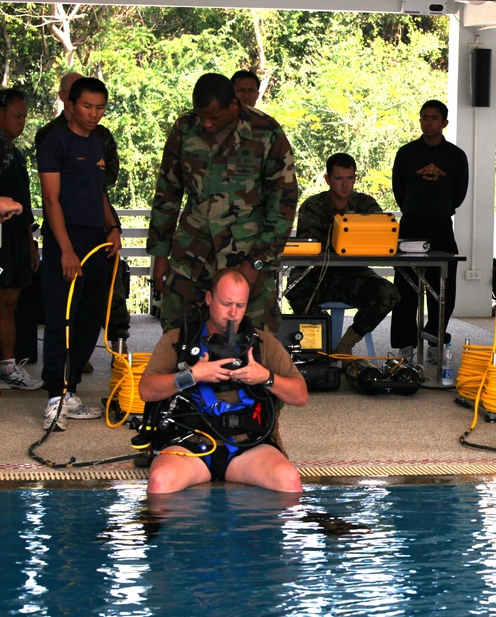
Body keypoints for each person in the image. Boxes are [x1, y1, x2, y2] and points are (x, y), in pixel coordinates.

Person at [147, 72, 298, 333]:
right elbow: (168, 192)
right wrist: (160, 254)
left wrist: (258, 262)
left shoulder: (265, 132)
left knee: (256, 337)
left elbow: (283, 202)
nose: (206, 124)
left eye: (214, 117)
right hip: (192, 253)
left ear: (233, 105)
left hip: (247, 253)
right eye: (201, 116)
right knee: (178, 332)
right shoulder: (184, 128)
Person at [139, 268, 307, 494]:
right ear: (209, 299)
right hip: (190, 445)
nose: (233, 313)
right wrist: (192, 376)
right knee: (160, 482)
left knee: (289, 481)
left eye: (240, 305)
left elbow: (300, 396)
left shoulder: (263, 344)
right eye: (226, 304)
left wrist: (266, 377)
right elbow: (147, 390)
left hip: (246, 445)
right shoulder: (179, 341)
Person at [36, 77, 121, 431]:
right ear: (71, 105)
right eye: (87, 106)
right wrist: (66, 250)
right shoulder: (54, 142)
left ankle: (71, 390)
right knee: (62, 318)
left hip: (96, 241)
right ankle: (55, 396)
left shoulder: (99, 144)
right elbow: (51, 199)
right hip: (64, 240)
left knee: (89, 317)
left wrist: (112, 226)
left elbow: (98, 193)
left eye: (100, 108)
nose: (93, 114)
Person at [287, 153, 400, 357]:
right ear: (328, 179)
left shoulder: (366, 205)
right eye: (339, 178)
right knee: (295, 289)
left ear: (355, 179)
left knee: (388, 293)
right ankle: (318, 347)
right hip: (316, 274)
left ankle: (346, 344)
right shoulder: (312, 206)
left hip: (355, 276)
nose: (345, 184)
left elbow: (379, 237)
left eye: (349, 178)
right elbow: (310, 243)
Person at [389, 99, 468, 361]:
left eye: (434, 118)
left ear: (444, 123)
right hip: (411, 224)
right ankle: (405, 345)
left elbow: (458, 194)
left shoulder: (456, 156)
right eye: (424, 117)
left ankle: (435, 338)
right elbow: (399, 190)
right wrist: (416, 208)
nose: (428, 122)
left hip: (441, 226)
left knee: (443, 288)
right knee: (405, 287)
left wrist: (439, 208)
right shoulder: (407, 153)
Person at [0, 88, 42, 391]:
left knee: (10, 303)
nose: (22, 122)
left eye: (25, 116)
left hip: (17, 236)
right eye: (17, 116)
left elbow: (25, 205)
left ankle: (8, 365)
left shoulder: (15, 153)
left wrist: (30, 244)